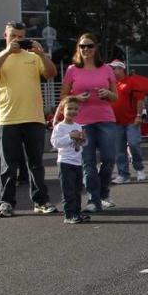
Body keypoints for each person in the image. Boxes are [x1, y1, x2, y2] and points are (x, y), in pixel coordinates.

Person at [0, 21, 57, 217]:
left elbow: (51, 74)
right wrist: (7, 52)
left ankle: (41, 201)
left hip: (34, 117)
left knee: (36, 163)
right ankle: (6, 203)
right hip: (8, 119)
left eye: (20, 36)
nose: (17, 39)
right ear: (5, 35)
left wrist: (42, 54)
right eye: (13, 35)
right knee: (8, 164)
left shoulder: (33, 57)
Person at [58, 33, 118, 213]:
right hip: (82, 122)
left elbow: (115, 97)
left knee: (108, 159)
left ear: (95, 48)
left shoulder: (106, 69)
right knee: (88, 162)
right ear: (78, 48)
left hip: (105, 118)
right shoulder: (72, 70)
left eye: (90, 46)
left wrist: (107, 94)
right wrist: (75, 97)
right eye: (82, 46)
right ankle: (94, 199)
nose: (86, 49)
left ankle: (103, 192)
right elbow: (63, 97)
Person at [108, 60, 146, 183]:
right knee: (119, 149)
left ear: (121, 69)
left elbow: (140, 100)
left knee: (134, 144)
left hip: (131, 120)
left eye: (114, 68)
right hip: (115, 122)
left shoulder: (131, 82)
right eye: (111, 69)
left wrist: (139, 115)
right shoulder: (110, 84)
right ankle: (124, 175)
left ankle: (139, 168)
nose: (112, 71)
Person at [50, 96, 87, 224]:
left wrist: (83, 140)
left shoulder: (78, 125)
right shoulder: (60, 127)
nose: (73, 111)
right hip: (65, 162)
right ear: (62, 111)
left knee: (77, 190)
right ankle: (69, 214)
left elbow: (81, 145)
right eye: (69, 108)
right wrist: (70, 136)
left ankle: (77, 211)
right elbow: (55, 143)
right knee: (68, 190)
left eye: (76, 109)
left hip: (77, 162)